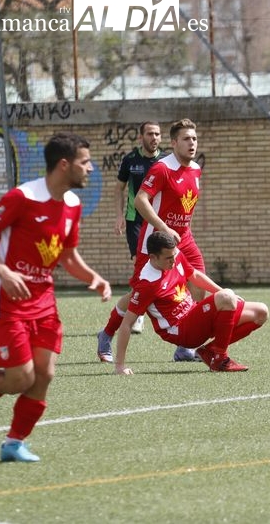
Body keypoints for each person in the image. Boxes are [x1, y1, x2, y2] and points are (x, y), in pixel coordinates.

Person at [0, 132, 112, 463]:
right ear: (64, 164)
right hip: (7, 300)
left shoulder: (72, 204)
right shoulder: (23, 197)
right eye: (85, 162)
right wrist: (3, 271)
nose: (90, 168)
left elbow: (67, 255)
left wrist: (94, 278)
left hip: (43, 302)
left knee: (44, 374)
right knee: (19, 378)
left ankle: (14, 443)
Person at [97, 118, 205, 363]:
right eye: (186, 139)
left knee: (198, 285)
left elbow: (186, 207)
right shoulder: (161, 168)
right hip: (155, 240)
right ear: (174, 142)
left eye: (194, 139)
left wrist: (185, 230)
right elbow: (140, 200)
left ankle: (186, 346)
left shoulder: (196, 170)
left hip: (184, 239)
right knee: (141, 292)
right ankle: (106, 334)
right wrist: (165, 228)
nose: (192, 143)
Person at [113, 231, 268, 375]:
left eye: (174, 255)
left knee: (260, 312)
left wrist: (223, 292)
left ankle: (209, 351)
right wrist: (120, 365)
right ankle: (220, 359)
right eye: (168, 258)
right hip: (182, 331)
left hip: (194, 315)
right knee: (226, 297)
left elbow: (194, 275)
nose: (174, 260)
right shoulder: (147, 284)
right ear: (153, 257)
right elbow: (127, 323)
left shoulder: (174, 254)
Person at [114, 121, 164, 335]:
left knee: (162, 264)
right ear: (141, 137)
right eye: (150, 134)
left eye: (158, 134)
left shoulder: (166, 160)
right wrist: (119, 215)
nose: (154, 138)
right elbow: (119, 188)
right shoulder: (130, 160)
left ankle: (161, 309)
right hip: (135, 221)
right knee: (140, 264)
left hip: (159, 221)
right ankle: (138, 314)